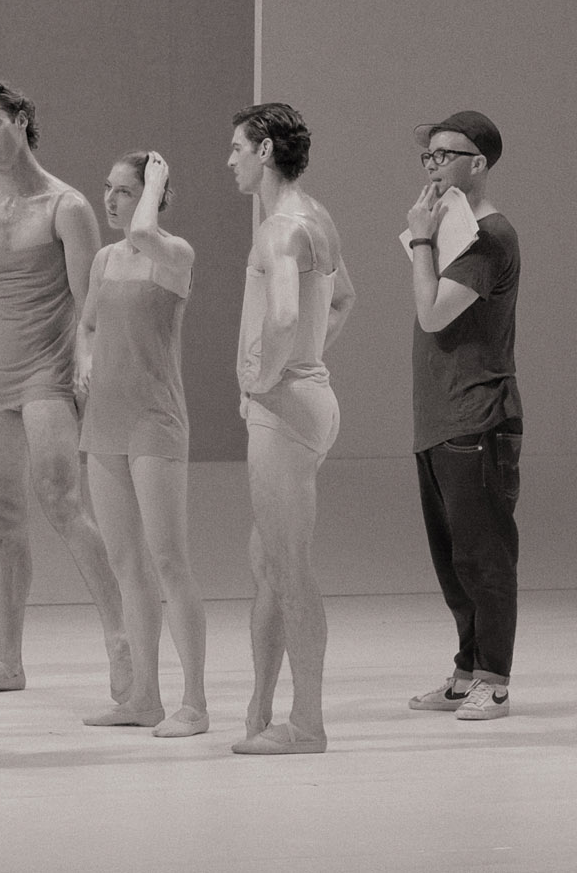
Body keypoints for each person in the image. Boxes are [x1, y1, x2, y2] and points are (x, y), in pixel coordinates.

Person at [0, 81, 130, 699]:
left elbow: (91, 303)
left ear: (22, 120)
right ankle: (8, 661)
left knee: (61, 502)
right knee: (2, 522)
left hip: (47, 373)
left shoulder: (67, 207)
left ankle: (122, 639)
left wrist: (86, 361)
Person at [227, 103, 355, 756]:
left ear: (267, 151)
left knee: (289, 566)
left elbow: (280, 316)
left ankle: (306, 725)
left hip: (285, 412)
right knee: (268, 563)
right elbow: (343, 297)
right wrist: (307, 360)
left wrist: (265, 377)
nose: (231, 160)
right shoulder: (318, 220)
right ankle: (262, 705)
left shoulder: (280, 230)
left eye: (239, 148)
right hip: (311, 401)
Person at [79, 151, 208, 737]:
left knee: (168, 561)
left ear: (152, 198)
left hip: (155, 422)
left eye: (125, 190)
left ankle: (196, 703)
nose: (110, 200)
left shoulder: (173, 255)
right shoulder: (106, 259)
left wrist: (157, 176)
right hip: (104, 420)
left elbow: (142, 232)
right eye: (107, 189)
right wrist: (82, 363)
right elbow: (86, 327)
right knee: (126, 562)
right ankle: (144, 698)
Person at [404, 110, 521, 721]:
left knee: (484, 555)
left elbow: (433, 314)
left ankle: (494, 679)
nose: (433, 165)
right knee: (452, 557)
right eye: (428, 156)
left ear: (477, 164)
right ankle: (465, 671)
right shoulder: (454, 233)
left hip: (478, 416)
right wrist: (427, 236)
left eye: (445, 155)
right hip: (439, 416)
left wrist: (421, 238)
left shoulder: (488, 238)